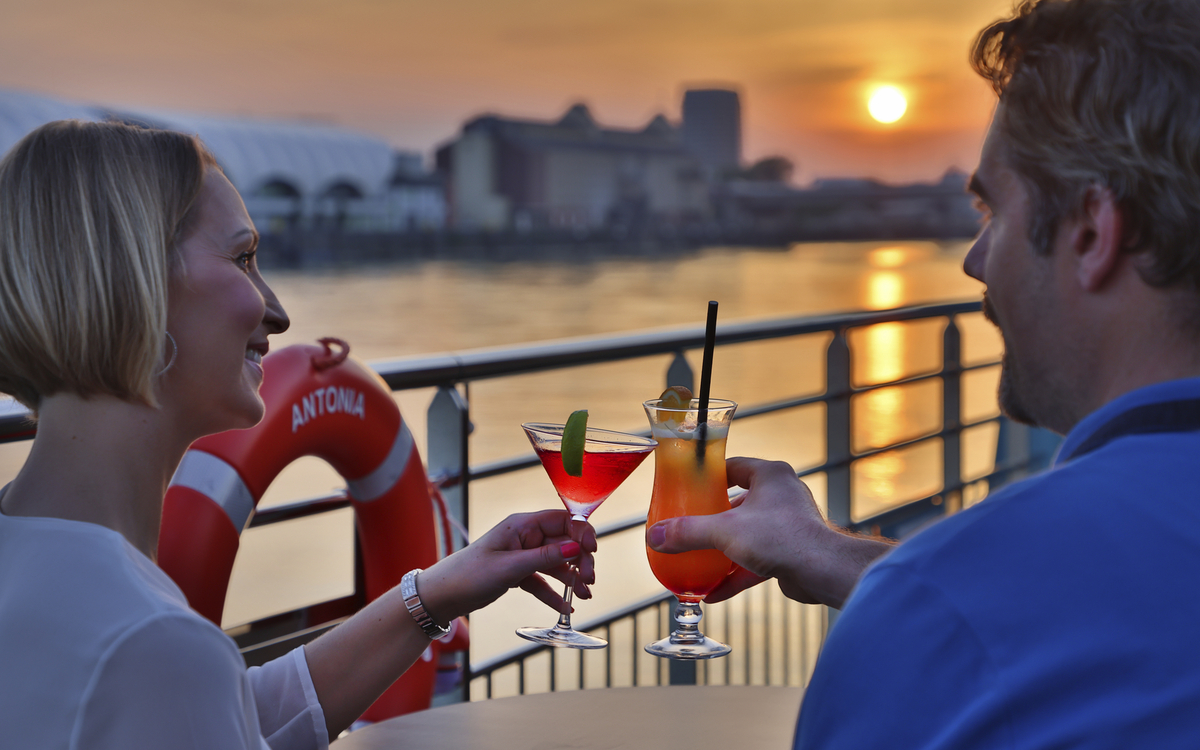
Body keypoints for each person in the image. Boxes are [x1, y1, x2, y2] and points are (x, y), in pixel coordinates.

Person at [648, 0, 1200, 746]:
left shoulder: (930, 619)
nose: (974, 260)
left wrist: (915, 598)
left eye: (993, 211)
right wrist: (849, 560)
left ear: (1092, 233)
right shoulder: (957, 598)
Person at [0, 120, 597, 749]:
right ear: (135, 282)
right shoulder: (152, 646)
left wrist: (437, 593)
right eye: (243, 258)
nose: (277, 312)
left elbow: (225, 715)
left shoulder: (59, 590)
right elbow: (182, 689)